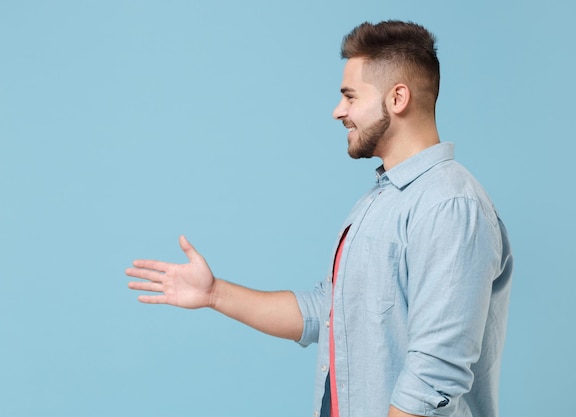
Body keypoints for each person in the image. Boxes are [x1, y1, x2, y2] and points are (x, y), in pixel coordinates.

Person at [126, 20, 513, 417]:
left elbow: (434, 375)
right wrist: (214, 293)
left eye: (349, 96)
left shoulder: (449, 205)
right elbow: (327, 313)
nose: (337, 111)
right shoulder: (379, 202)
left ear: (398, 98)